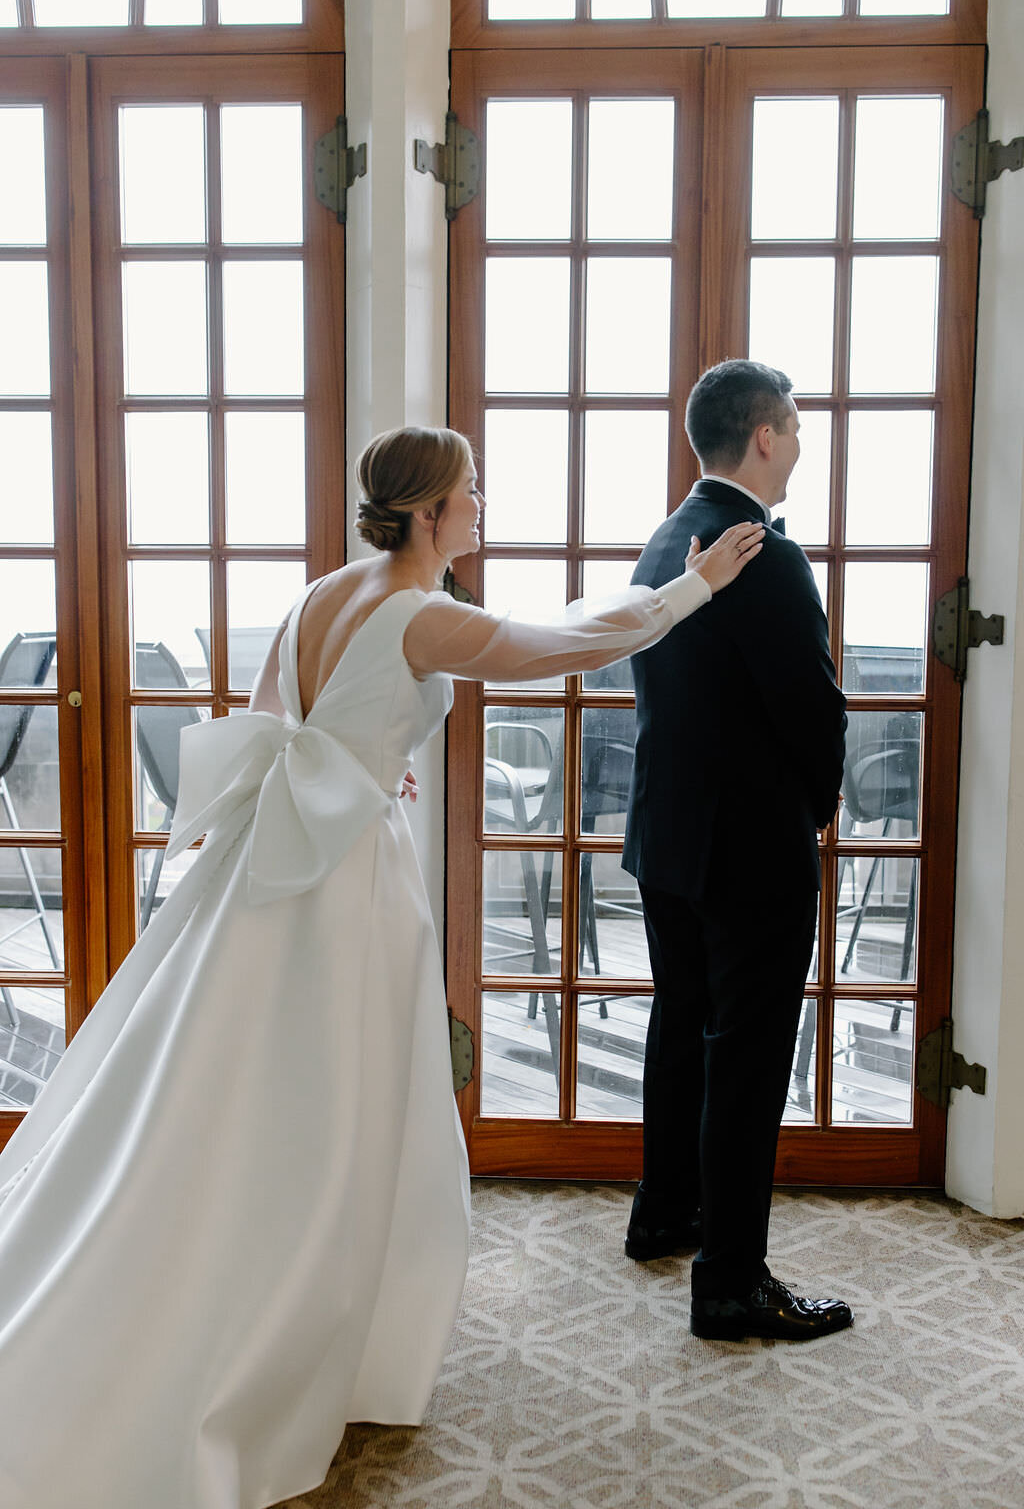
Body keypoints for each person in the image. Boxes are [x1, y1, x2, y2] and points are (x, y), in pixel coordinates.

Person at [0, 425, 763, 1509]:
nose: (481, 504)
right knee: (338, 1112)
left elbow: (277, 717)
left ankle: (284, 1310)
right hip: (344, 884)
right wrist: (687, 593)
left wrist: (362, 762)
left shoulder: (326, 593)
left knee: (225, 1093)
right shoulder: (421, 614)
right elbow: (558, 647)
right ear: (426, 514)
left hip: (277, 860)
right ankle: (286, 1333)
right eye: (470, 491)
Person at [622, 360, 851, 1342]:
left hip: (667, 837)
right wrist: (815, 810)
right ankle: (729, 1283)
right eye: (794, 427)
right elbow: (811, 707)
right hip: (749, 849)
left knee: (683, 1030)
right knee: (748, 1056)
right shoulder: (763, 551)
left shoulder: (667, 538)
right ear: (762, 435)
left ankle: (665, 1210)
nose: (799, 443)